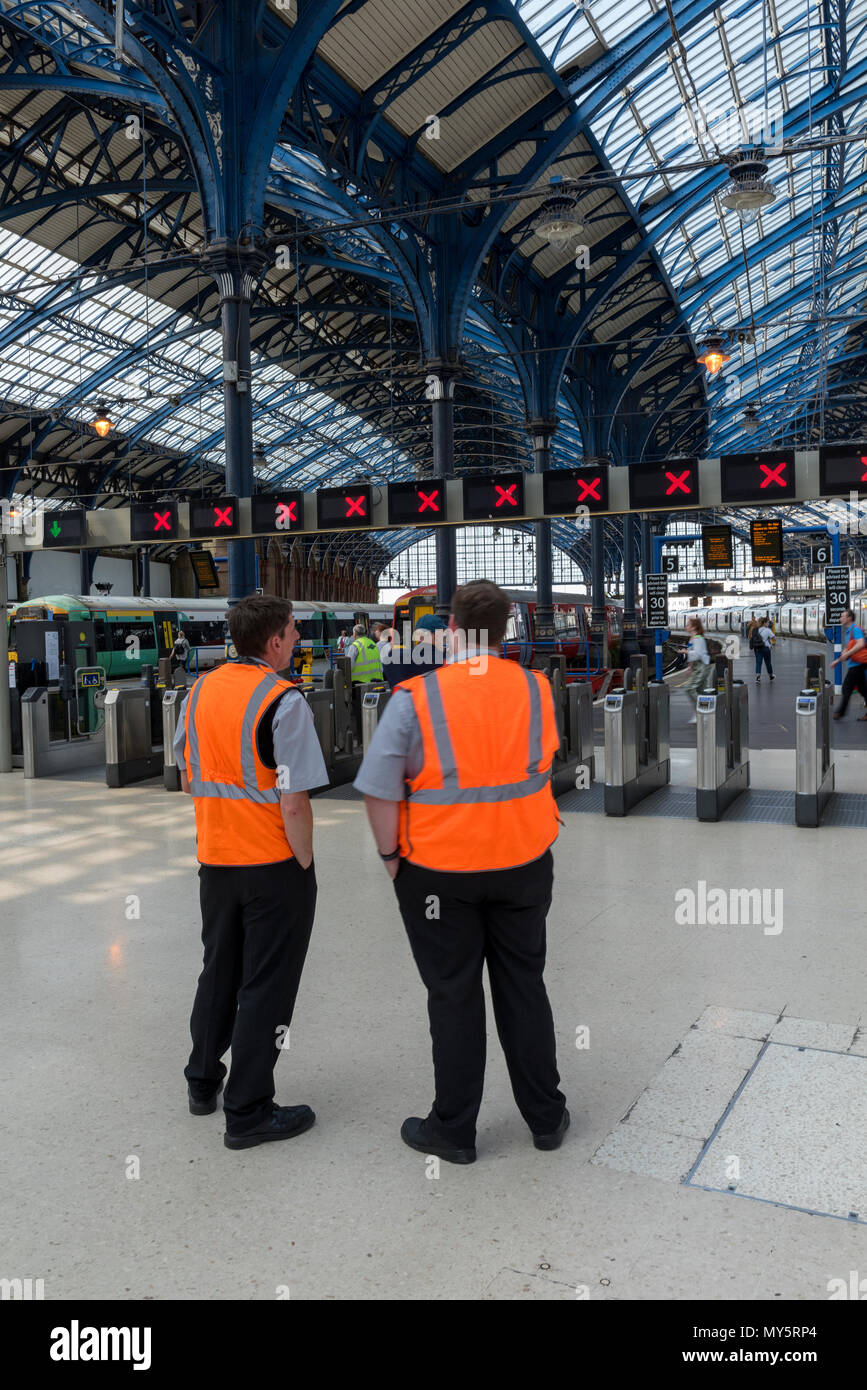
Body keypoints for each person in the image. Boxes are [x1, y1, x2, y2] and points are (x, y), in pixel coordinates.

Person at [354, 579, 568, 1165]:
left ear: (452, 629)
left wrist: (390, 856)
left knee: (453, 994)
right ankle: (546, 1118)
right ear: (506, 630)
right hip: (524, 862)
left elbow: (377, 790)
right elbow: (541, 763)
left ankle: (454, 1129)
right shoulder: (536, 688)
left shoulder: (415, 697)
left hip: (438, 874)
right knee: (523, 985)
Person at [175, 595, 328, 1150]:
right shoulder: (283, 702)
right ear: (273, 642)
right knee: (266, 984)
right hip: (271, 864)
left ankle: (202, 1081)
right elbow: (294, 800)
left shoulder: (197, 692)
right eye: (292, 631)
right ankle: (248, 1111)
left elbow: (188, 773)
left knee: (219, 970)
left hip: (215, 860)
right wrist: (303, 862)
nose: (296, 639)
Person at [831, 608, 867, 720]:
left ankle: (840, 712)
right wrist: (837, 661)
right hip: (856, 664)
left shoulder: (855, 629)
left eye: (843, 616)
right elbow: (848, 648)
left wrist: (848, 654)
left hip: (857, 665)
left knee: (846, 688)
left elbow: (861, 644)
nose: (841, 618)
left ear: (849, 618)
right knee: (863, 690)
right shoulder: (848, 631)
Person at [683, 615, 712, 723]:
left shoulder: (698, 639)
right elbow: (692, 653)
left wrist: (686, 652)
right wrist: (689, 667)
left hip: (702, 667)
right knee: (701, 691)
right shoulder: (692, 638)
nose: (686, 627)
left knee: (689, 689)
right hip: (698, 667)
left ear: (694, 627)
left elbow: (698, 654)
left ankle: (701, 713)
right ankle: (703, 714)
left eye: (688, 625)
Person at [750, 616, 775, 682]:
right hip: (766, 648)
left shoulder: (756, 629)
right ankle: (771, 675)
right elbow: (774, 638)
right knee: (768, 663)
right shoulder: (768, 630)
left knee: (758, 662)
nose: (768, 624)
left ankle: (758, 677)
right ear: (764, 623)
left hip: (757, 648)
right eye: (767, 622)